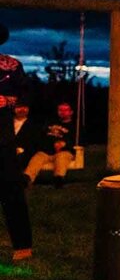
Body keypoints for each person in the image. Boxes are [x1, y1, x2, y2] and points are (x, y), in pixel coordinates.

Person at [0, 22, 32, 261]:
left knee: (11, 186)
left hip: (2, 136)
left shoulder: (12, 66)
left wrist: (7, 101)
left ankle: (22, 245)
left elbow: (24, 98)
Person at [23, 101, 76, 188]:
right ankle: (27, 178)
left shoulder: (75, 126)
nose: (62, 112)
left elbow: (79, 141)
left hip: (64, 151)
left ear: (71, 112)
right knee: (38, 156)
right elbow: (42, 137)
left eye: (65, 110)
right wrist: (51, 143)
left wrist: (65, 144)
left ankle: (58, 178)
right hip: (47, 150)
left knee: (61, 157)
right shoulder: (50, 123)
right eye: (60, 110)